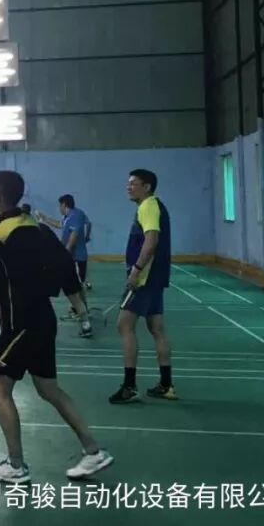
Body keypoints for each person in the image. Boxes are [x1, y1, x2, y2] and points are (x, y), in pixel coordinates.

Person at [0, 172, 112, 483]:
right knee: (48, 389)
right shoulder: (31, 225)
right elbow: (17, 259)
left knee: (0, 389)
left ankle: (15, 466)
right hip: (42, 320)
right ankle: (94, 451)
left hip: (19, 326)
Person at [110, 169, 175, 403]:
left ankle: (129, 387)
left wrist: (136, 270)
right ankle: (166, 385)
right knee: (157, 328)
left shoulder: (148, 206)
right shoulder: (157, 206)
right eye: (128, 183)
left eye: (133, 183)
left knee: (124, 325)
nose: (128, 187)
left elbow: (151, 240)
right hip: (156, 278)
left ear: (146, 187)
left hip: (145, 278)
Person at [23, 204, 92, 338]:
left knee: (40, 296)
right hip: (67, 260)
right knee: (75, 296)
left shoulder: (27, 233)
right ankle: (86, 325)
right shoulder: (42, 227)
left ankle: (38, 326)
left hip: (53, 267)